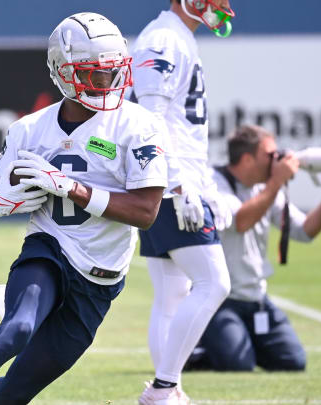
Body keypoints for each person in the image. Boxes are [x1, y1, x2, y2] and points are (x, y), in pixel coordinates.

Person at [0, 12, 168, 405]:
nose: (107, 83)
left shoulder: (139, 126)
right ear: (63, 72)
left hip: (101, 276)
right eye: (94, 74)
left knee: (15, 390)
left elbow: (146, 211)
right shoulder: (30, 129)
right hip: (50, 249)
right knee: (16, 330)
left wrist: (72, 188)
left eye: (112, 73)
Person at [130, 1, 235, 403]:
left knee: (173, 292)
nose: (221, 6)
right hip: (171, 183)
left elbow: (184, 128)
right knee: (214, 282)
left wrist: (206, 186)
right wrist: (176, 184)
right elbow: (151, 118)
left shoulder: (178, 38)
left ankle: (169, 390)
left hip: (178, 180)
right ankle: (163, 387)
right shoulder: (163, 39)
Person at [184, 124, 321, 372]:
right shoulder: (213, 183)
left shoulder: (265, 188)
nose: (279, 159)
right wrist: (277, 182)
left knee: (293, 362)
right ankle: (198, 347)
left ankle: (237, 344)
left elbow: (304, 230)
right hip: (221, 301)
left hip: (257, 299)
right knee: (238, 366)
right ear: (247, 158)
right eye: (271, 155)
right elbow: (240, 221)